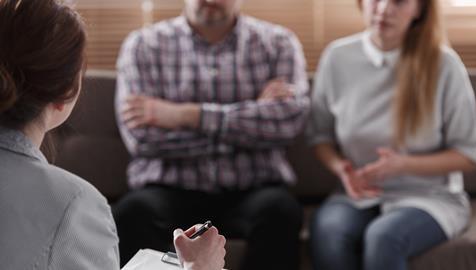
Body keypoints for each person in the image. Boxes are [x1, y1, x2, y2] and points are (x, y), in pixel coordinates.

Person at [0, 1, 226, 270]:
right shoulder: (73, 204)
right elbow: (142, 137)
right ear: (66, 91)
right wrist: (200, 267)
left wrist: (178, 115)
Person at [114, 0, 310, 269]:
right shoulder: (143, 45)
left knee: (281, 210)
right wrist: (251, 121)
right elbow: (143, 139)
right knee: (132, 212)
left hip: (253, 189)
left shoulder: (279, 43)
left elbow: (287, 124)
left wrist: (183, 115)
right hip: (168, 189)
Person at [306, 0, 476, 269]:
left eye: (399, 1)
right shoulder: (337, 57)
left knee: (384, 237)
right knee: (328, 232)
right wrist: (343, 170)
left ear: (419, 9)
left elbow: (470, 154)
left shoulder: (444, 64)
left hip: (430, 197)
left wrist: (403, 165)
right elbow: (320, 138)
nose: (384, 8)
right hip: (356, 196)